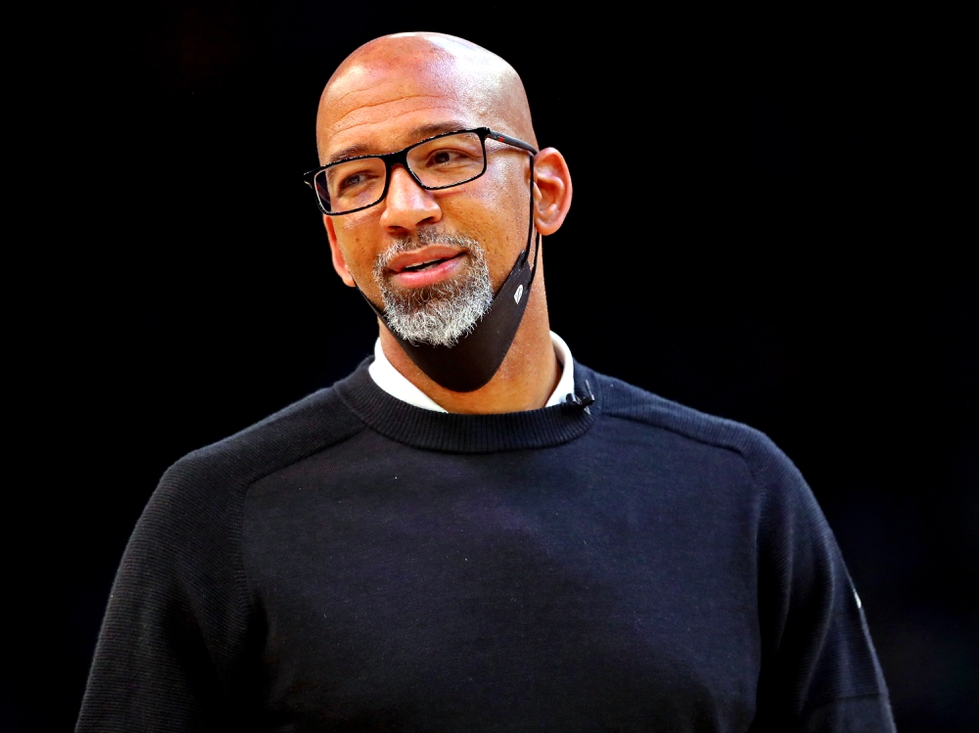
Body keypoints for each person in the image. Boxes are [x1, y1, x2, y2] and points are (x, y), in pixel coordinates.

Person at [77, 32, 896, 732]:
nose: (404, 207)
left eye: (445, 156)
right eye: (358, 179)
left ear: (546, 191)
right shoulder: (218, 511)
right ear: (334, 241)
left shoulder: (742, 491)